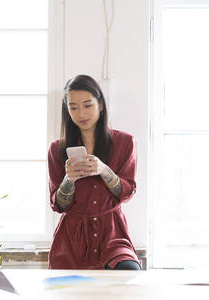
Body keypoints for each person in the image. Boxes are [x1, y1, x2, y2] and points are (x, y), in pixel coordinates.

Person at [47, 74, 141, 270]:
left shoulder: (125, 143)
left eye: (88, 105)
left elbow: (126, 192)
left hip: (112, 236)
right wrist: (68, 180)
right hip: (72, 240)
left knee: (129, 271)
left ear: (101, 105)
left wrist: (104, 170)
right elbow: (59, 205)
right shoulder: (57, 149)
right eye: (73, 107)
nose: (81, 113)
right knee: (70, 296)